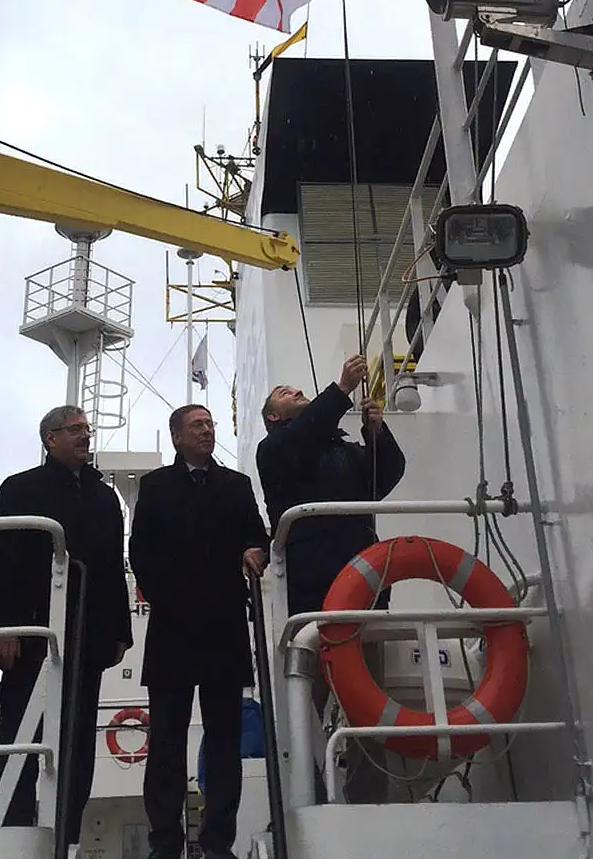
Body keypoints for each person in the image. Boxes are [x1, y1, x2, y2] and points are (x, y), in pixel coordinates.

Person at [256, 355, 406, 803]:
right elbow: (303, 437)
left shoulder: (340, 449)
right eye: (286, 394)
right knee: (319, 699)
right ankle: (319, 795)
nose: (295, 391)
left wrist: (376, 436)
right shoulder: (278, 449)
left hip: (364, 586)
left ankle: (368, 797)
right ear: (273, 417)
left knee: (368, 693)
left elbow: (382, 480)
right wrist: (340, 389)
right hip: (314, 589)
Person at [129, 404, 268, 859]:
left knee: (223, 740)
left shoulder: (237, 486)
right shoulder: (154, 487)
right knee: (166, 741)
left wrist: (254, 551)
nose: (207, 431)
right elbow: (141, 551)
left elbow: (256, 535)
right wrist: (170, 594)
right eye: (197, 425)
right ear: (176, 437)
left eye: (210, 425)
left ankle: (217, 842)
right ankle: (165, 843)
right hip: (172, 627)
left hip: (224, 627)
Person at [0, 406, 132, 846]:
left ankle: (65, 840)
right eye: (75, 430)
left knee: (76, 747)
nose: (85, 437)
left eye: (87, 430)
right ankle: (12, 837)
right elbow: (0, 565)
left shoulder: (104, 497)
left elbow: (111, 565)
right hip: (32, 638)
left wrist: (120, 632)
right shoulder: (19, 490)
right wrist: (4, 627)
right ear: (49, 438)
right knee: (21, 739)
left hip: (87, 639)